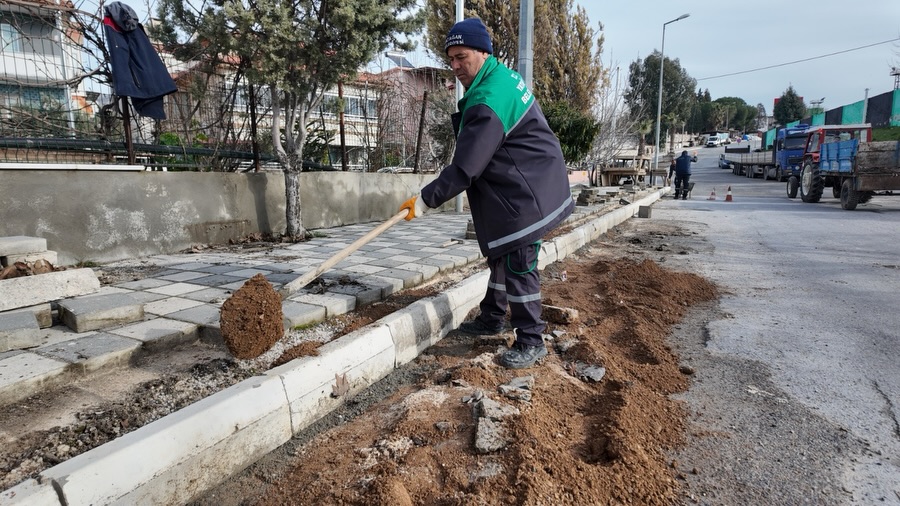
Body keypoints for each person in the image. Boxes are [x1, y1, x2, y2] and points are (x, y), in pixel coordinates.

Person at [399, 17, 574, 369]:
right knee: (502, 257)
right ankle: (492, 317)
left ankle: (530, 340)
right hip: (528, 183)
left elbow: (466, 167)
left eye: (461, 56)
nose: (455, 66)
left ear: (483, 52)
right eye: (450, 59)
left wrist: (424, 200)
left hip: (527, 195)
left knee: (520, 265)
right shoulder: (499, 78)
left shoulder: (489, 98)